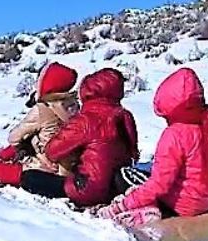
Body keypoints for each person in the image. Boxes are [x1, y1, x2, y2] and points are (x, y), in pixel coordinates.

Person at [96, 68, 208, 228]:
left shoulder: (176, 134)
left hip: (181, 205)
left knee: (124, 176)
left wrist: (124, 205)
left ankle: (149, 210)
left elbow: (159, 184)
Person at [43, 68, 139, 208]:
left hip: (87, 189)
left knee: (31, 178)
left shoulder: (86, 120)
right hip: (116, 186)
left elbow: (52, 151)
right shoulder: (124, 116)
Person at [0, 62, 80, 190]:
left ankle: (5, 162)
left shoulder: (42, 109)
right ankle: (4, 155)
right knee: (33, 137)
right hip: (69, 164)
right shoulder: (74, 105)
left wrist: (21, 146)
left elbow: (14, 137)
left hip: (46, 165)